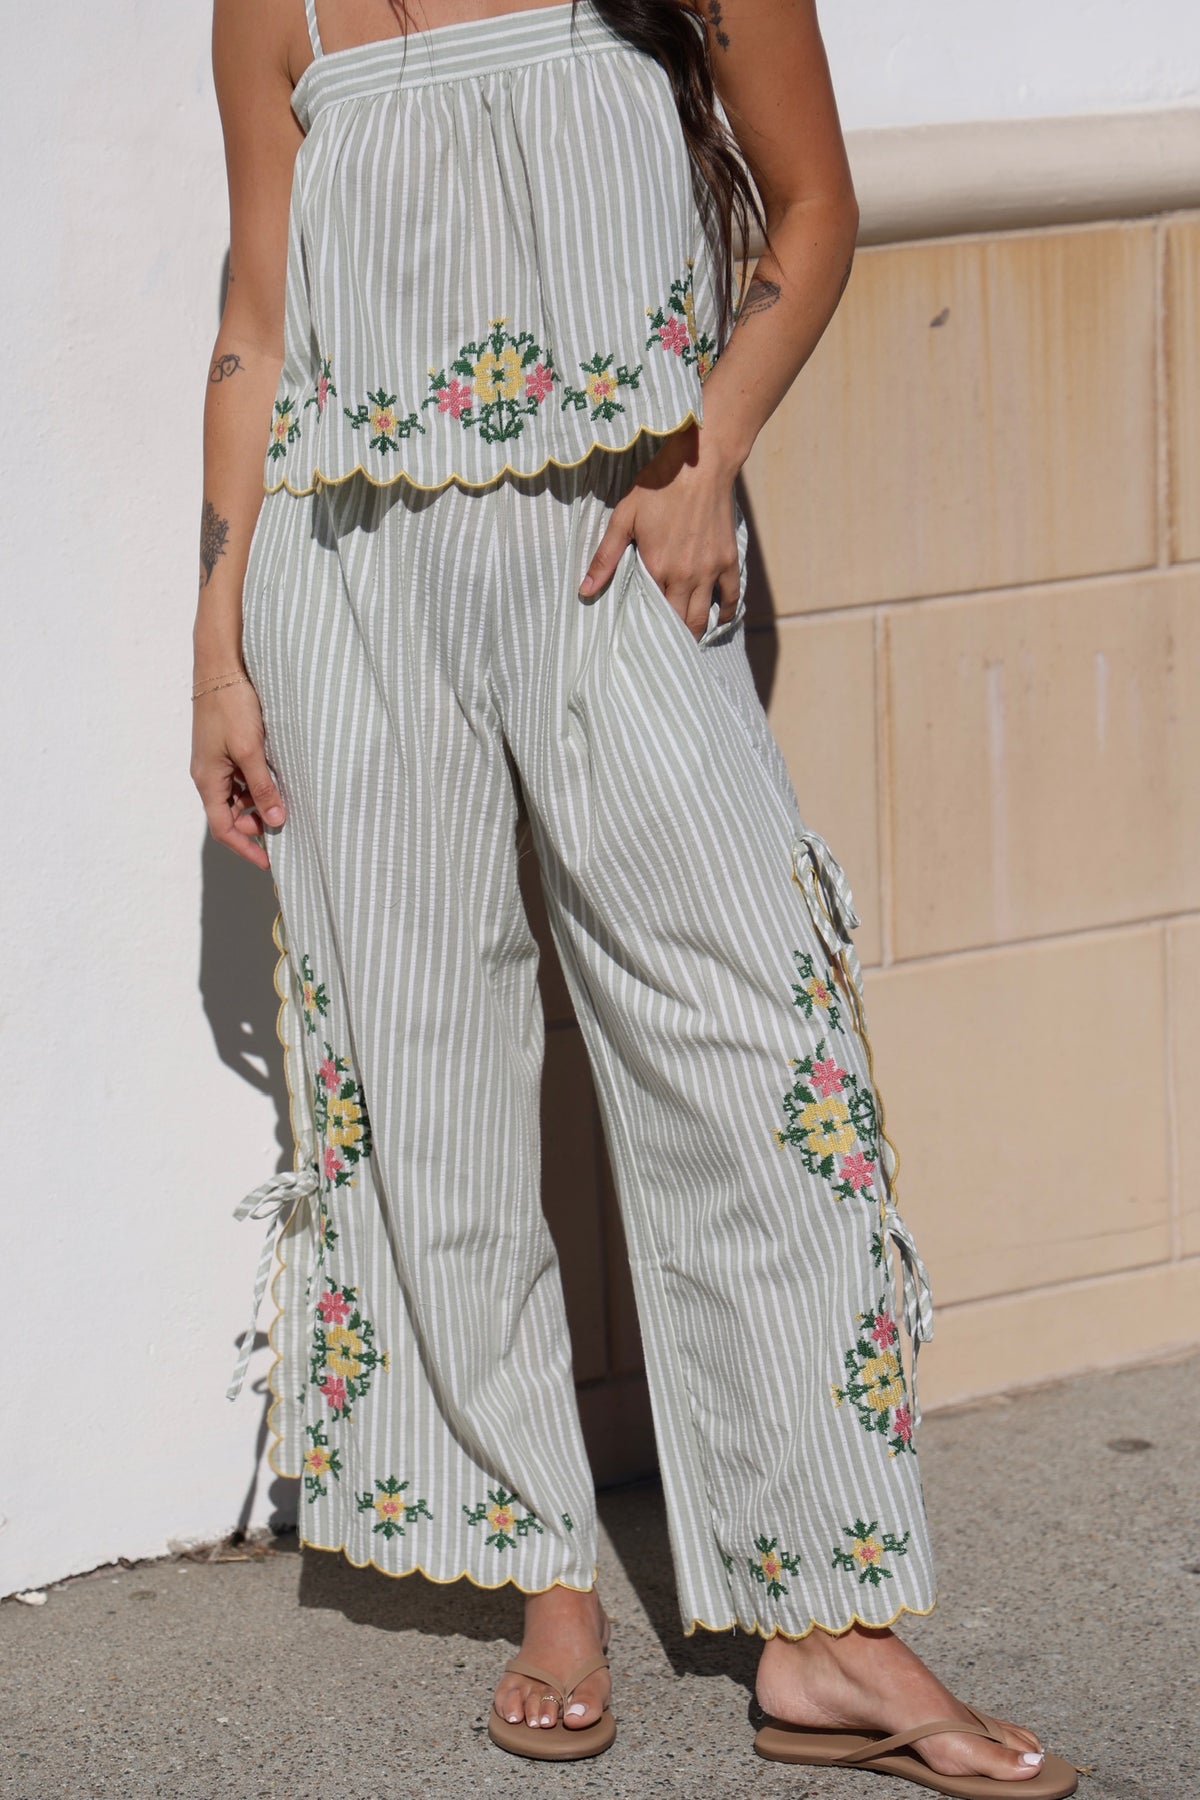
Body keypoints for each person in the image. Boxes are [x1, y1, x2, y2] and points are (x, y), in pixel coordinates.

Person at [191, 0, 1076, 1790]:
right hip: (348, 579)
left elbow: (813, 205)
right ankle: (542, 1578)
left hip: (613, 543)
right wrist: (218, 641)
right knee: (420, 1078)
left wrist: (712, 449)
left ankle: (822, 1618)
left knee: (757, 1052)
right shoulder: (271, 7)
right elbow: (257, 323)